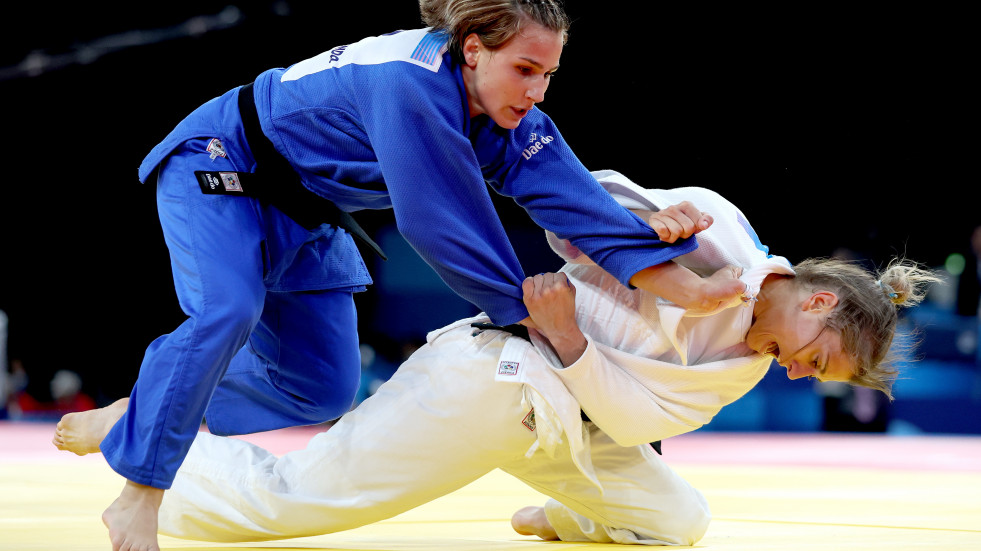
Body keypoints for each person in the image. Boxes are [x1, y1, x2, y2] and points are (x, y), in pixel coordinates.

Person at [51, 3, 741, 550]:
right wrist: (527, 318)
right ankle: (139, 487)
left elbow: (576, 201)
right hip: (225, 166)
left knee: (317, 385)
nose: (535, 91)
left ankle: (140, 412)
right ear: (473, 50)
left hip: (309, 209)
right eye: (525, 69)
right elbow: (438, 221)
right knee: (228, 310)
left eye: (549, 75)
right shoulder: (411, 83)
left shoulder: (504, 112)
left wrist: (694, 289)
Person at [59, 170, 939, 548]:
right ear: (818, 300)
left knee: (680, 520)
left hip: (572, 413)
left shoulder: (743, 360)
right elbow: (564, 214)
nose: (793, 373)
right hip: (496, 380)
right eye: (813, 360)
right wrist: (637, 232)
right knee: (297, 502)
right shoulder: (715, 224)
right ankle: (147, 438)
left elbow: (637, 421)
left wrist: (572, 340)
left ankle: (561, 518)